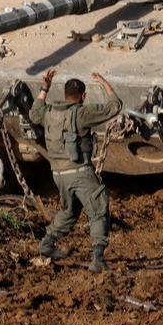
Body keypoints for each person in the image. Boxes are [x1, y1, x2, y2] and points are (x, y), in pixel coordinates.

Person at [30, 70, 122, 273]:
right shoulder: (81, 113)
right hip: (79, 171)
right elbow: (114, 107)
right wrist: (105, 84)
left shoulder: (48, 113)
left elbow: (33, 113)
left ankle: (47, 244)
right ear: (83, 96)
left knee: (70, 211)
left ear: (64, 95)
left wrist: (45, 88)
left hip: (58, 174)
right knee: (98, 210)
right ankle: (98, 259)